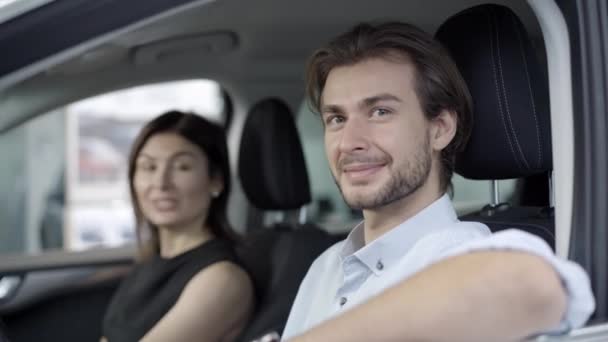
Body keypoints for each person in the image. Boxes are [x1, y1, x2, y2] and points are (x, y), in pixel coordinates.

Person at [281, 22, 595, 341]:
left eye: (379, 112)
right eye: (337, 119)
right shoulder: (324, 268)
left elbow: (531, 284)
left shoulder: (465, 252)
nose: (349, 142)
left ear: (441, 128)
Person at [102, 111, 254, 342]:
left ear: (216, 180)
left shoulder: (222, 280)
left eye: (182, 167)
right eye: (149, 167)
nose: (161, 183)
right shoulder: (148, 264)